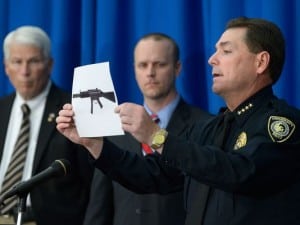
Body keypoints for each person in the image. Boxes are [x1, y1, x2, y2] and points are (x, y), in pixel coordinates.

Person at [56, 17, 300, 225]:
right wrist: (93, 143)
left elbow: (242, 172)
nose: (212, 59)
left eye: (226, 51)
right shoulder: (210, 128)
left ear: (261, 62)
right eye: (215, 51)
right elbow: (152, 175)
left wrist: (155, 136)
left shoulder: (281, 124)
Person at [83, 33, 212, 225]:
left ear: (177, 68)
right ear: (134, 70)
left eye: (159, 64)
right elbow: (99, 205)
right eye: (142, 65)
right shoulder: (114, 126)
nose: (150, 73)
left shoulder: (204, 125)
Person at [0, 26, 93, 225]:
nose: (24, 71)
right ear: (6, 67)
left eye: (33, 61)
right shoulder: (1, 109)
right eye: (17, 62)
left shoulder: (73, 111)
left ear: (50, 64)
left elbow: (92, 183)